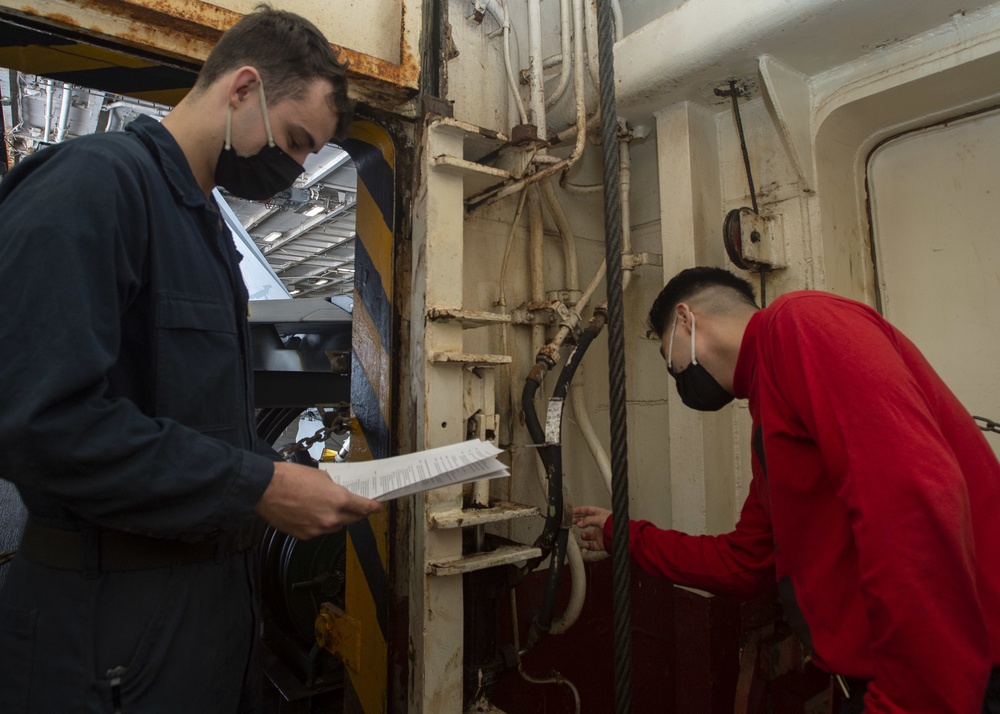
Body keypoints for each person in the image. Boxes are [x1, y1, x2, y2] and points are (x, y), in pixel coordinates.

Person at [0, 7, 382, 713]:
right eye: (297, 142)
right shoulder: (93, 186)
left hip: (205, 619)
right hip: (108, 631)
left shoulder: (205, 232)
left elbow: (191, 421)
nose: (296, 174)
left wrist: (279, 477)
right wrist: (256, 487)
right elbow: (37, 423)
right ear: (242, 88)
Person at [574, 267, 1000, 714]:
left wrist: (914, 700)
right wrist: (624, 535)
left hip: (957, 684)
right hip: (888, 682)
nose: (677, 375)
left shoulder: (802, 324)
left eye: (670, 358)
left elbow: (912, 502)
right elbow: (744, 563)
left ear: (686, 319)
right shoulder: (770, 412)